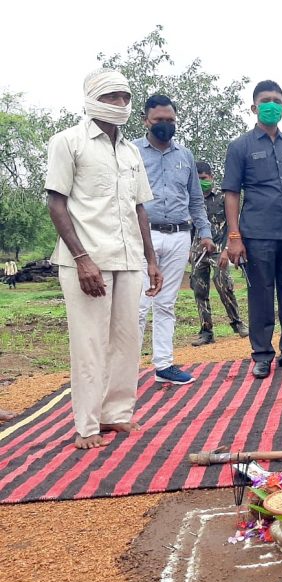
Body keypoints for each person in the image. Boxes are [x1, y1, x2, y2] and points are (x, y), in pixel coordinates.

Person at [45, 68, 163, 449]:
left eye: (125, 98)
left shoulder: (130, 152)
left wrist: (152, 259)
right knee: (90, 342)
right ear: (92, 98)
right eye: (112, 96)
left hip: (128, 259)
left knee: (128, 340)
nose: (120, 104)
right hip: (87, 261)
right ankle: (87, 425)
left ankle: (117, 415)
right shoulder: (68, 142)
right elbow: (56, 203)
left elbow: (139, 209)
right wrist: (81, 258)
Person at [222, 80, 282, 379]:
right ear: (253, 107)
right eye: (265, 100)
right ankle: (262, 355)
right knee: (261, 295)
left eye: (277, 100)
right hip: (258, 234)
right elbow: (231, 192)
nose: (271, 105)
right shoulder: (240, 146)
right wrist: (234, 236)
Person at [135, 95, 213, 385]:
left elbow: (195, 198)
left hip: (180, 234)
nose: (165, 125)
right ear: (146, 120)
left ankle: (164, 365)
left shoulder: (185, 156)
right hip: (144, 235)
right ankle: (127, 371)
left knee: (166, 303)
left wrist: (204, 233)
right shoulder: (132, 152)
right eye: (158, 121)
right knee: (139, 305)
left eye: (170, 120)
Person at [189, 161, 248, 346]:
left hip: (219, 249)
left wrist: (226, 249)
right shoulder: (192, 199)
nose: (201, 182)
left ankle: (237, 323)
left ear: (211, 176)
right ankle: (206, 332)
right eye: (197, 179)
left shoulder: (223, 197)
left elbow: (233, 224)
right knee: (199, 290)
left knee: (224, 284)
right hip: (198, 251)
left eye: (204, 178)